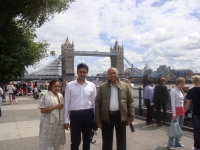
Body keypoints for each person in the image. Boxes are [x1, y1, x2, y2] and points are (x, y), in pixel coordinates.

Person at [95, 67, 134, 150]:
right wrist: (98, 120)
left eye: (114, 73)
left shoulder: (125, 86)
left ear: (118, 74)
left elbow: (130, 101)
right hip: (106, 116)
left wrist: (131, 116)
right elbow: (98, 103)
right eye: (110, 73)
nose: (112, 75)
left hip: (121, 115)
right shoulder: (102, 87)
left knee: (121, 140)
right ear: (107, 75)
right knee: (106, 141)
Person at [64, 63, 96, 150]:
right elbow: (66, 102)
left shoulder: (92, 86)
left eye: (84, 72)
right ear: (77, 72)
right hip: (75, 115)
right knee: (75, 141)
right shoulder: (69, 85)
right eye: (80, 72)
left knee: (87, 140)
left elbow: (94, 103)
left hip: (88, 114)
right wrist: (65, 120)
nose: (82, 74)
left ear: (87, 73)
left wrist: (96, 118)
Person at [38, 79, 65, 150]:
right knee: (47, 143)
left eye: (59, 86)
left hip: (58, 123)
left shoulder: (60, 96)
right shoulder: (45, 95)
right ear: (51, 87)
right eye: (55, 86)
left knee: (58, 142)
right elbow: (42, 110)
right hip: (48, 123)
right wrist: (56, 106)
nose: (57, 88)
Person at [167, 77, 185, 150]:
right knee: (174, 128)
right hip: (177, 110)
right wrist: (174, 114)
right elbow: (173, 103)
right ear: (180, 83)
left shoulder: (179, 90)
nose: (184, 84)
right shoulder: (173, 91)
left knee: (179, 127)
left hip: (181, 110)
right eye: (183, 83)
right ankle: (170, 144)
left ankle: (178, 142)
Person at [185, 75, 200, 150]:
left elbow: (188, 104)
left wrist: (184, 111)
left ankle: (197, 146)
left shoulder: (190, 91)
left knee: (197, 130)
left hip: (196, 112)